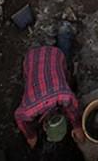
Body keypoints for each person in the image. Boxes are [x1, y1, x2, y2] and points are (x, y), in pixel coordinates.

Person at [14, 22, 85, 150]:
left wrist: (77, 126)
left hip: (50, 56)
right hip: (31, 58)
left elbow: (72, 108)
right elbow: (19, 117)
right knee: (64, 67)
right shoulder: (28, 110)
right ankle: (63, 31)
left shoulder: (65, 95)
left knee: (65, 59)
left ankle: (64, 30)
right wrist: (30, 137)